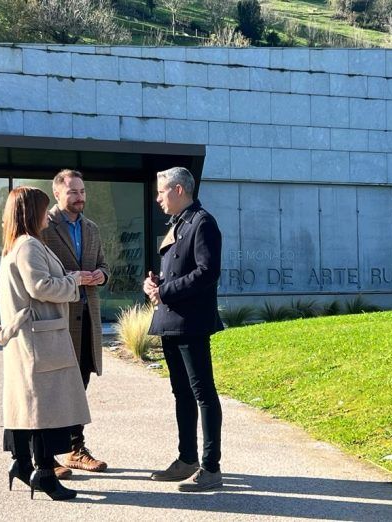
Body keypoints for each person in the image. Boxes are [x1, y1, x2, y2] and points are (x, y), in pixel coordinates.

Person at [0, 186, 92, 501]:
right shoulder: (29, 246)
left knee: (26, 405)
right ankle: (45, 473)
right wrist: (73, 280)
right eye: (44, 208)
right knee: (44, 409)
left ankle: (22, 464)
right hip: (40, 338)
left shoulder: (16, 245)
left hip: (29, 336)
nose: (48, 215)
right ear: (32, 212)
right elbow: (40, 286)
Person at [144, 167, 224, 492]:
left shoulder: (203, 222)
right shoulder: (178, 223)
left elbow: (208, 272)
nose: (158, 198)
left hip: (191, 323)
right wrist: (155, 284)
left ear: (178, 190)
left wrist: (166, 291)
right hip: (171, 322)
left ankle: (211, 467)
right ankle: (187, 459)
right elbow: (178, 270)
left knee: (203, 393)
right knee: (181, 393)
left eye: (161, 191)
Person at [42, 169, 109, 477]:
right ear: (57, 194)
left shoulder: (91, 228)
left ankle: (74, 448)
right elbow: (39, 275)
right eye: (73, 192)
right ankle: (47, 455)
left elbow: (104, 264)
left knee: (79, 386)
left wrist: (101, 275)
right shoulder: (44, 227)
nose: (80, 197)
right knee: (55, 389)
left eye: (82, 191)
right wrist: (71, 278)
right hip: (59, 319)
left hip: (87, 319)